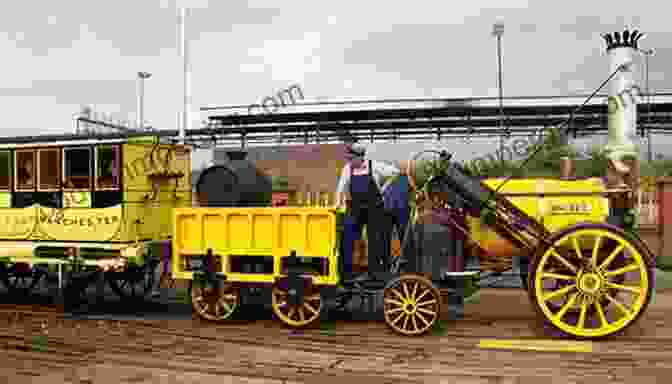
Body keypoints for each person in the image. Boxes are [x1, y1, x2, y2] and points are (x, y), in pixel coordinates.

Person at [335, 143, 401, 281]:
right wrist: (337, 205)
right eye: (349, 158)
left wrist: (384, 187)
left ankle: (374, 273)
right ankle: (346, 272)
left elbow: (396, 172)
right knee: (348, 237)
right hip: (355, 208)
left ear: (360, 157)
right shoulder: (347, 169)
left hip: (374, 208)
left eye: (352, 158)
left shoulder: (375, 166)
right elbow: (341, 188)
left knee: (375, 240)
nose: (350, 161)